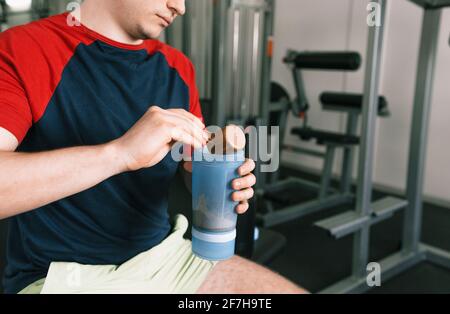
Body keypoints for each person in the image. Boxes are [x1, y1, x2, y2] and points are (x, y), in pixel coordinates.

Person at [0, 0, 306, 294]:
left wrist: (219, 163)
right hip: (67, 277)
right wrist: (120, 154)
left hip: (168, 258)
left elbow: (189, 168)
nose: (181, 7)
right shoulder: (23, 48)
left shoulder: (178, 67)